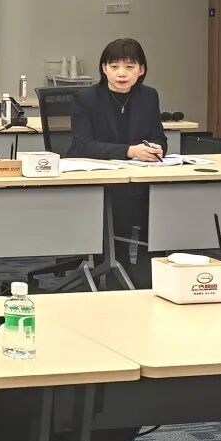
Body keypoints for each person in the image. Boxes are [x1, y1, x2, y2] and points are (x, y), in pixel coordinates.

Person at [69, 37, 167, 288]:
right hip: (99, 181)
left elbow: (159, 136)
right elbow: (83, 145)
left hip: (139, 179)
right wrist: (130, 151)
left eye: (130, 67)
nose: (122, 73)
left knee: (163, 208)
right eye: (114, 67)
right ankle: (115, 276)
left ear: (141, 70)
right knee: (121, 213)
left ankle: (150, 277)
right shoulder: (86, 98)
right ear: (104, 69)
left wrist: (156, 148)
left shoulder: (149, 96)